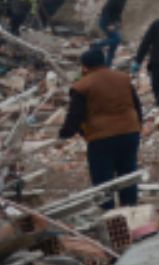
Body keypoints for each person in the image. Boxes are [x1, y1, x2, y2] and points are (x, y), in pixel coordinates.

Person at [58, 49, 142, 209]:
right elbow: (136, 105)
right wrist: (138, 125)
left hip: (101, 137)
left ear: (84, 67)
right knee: (128, 175)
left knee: (103, 181)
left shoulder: (82, 86)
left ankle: (110, 218)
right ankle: (131, 212)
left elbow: (75, 115)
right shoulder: (123, 78)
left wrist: (65, 133)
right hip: (130, 132)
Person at [92, 0, 132, 65]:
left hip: (113, 22)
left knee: (113, 46)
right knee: (117, 39)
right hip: (106, 21)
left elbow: (117, 11)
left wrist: (120, 21)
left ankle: (107, 65)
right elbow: (106, 10)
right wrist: (110, 24)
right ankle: (97, 44)